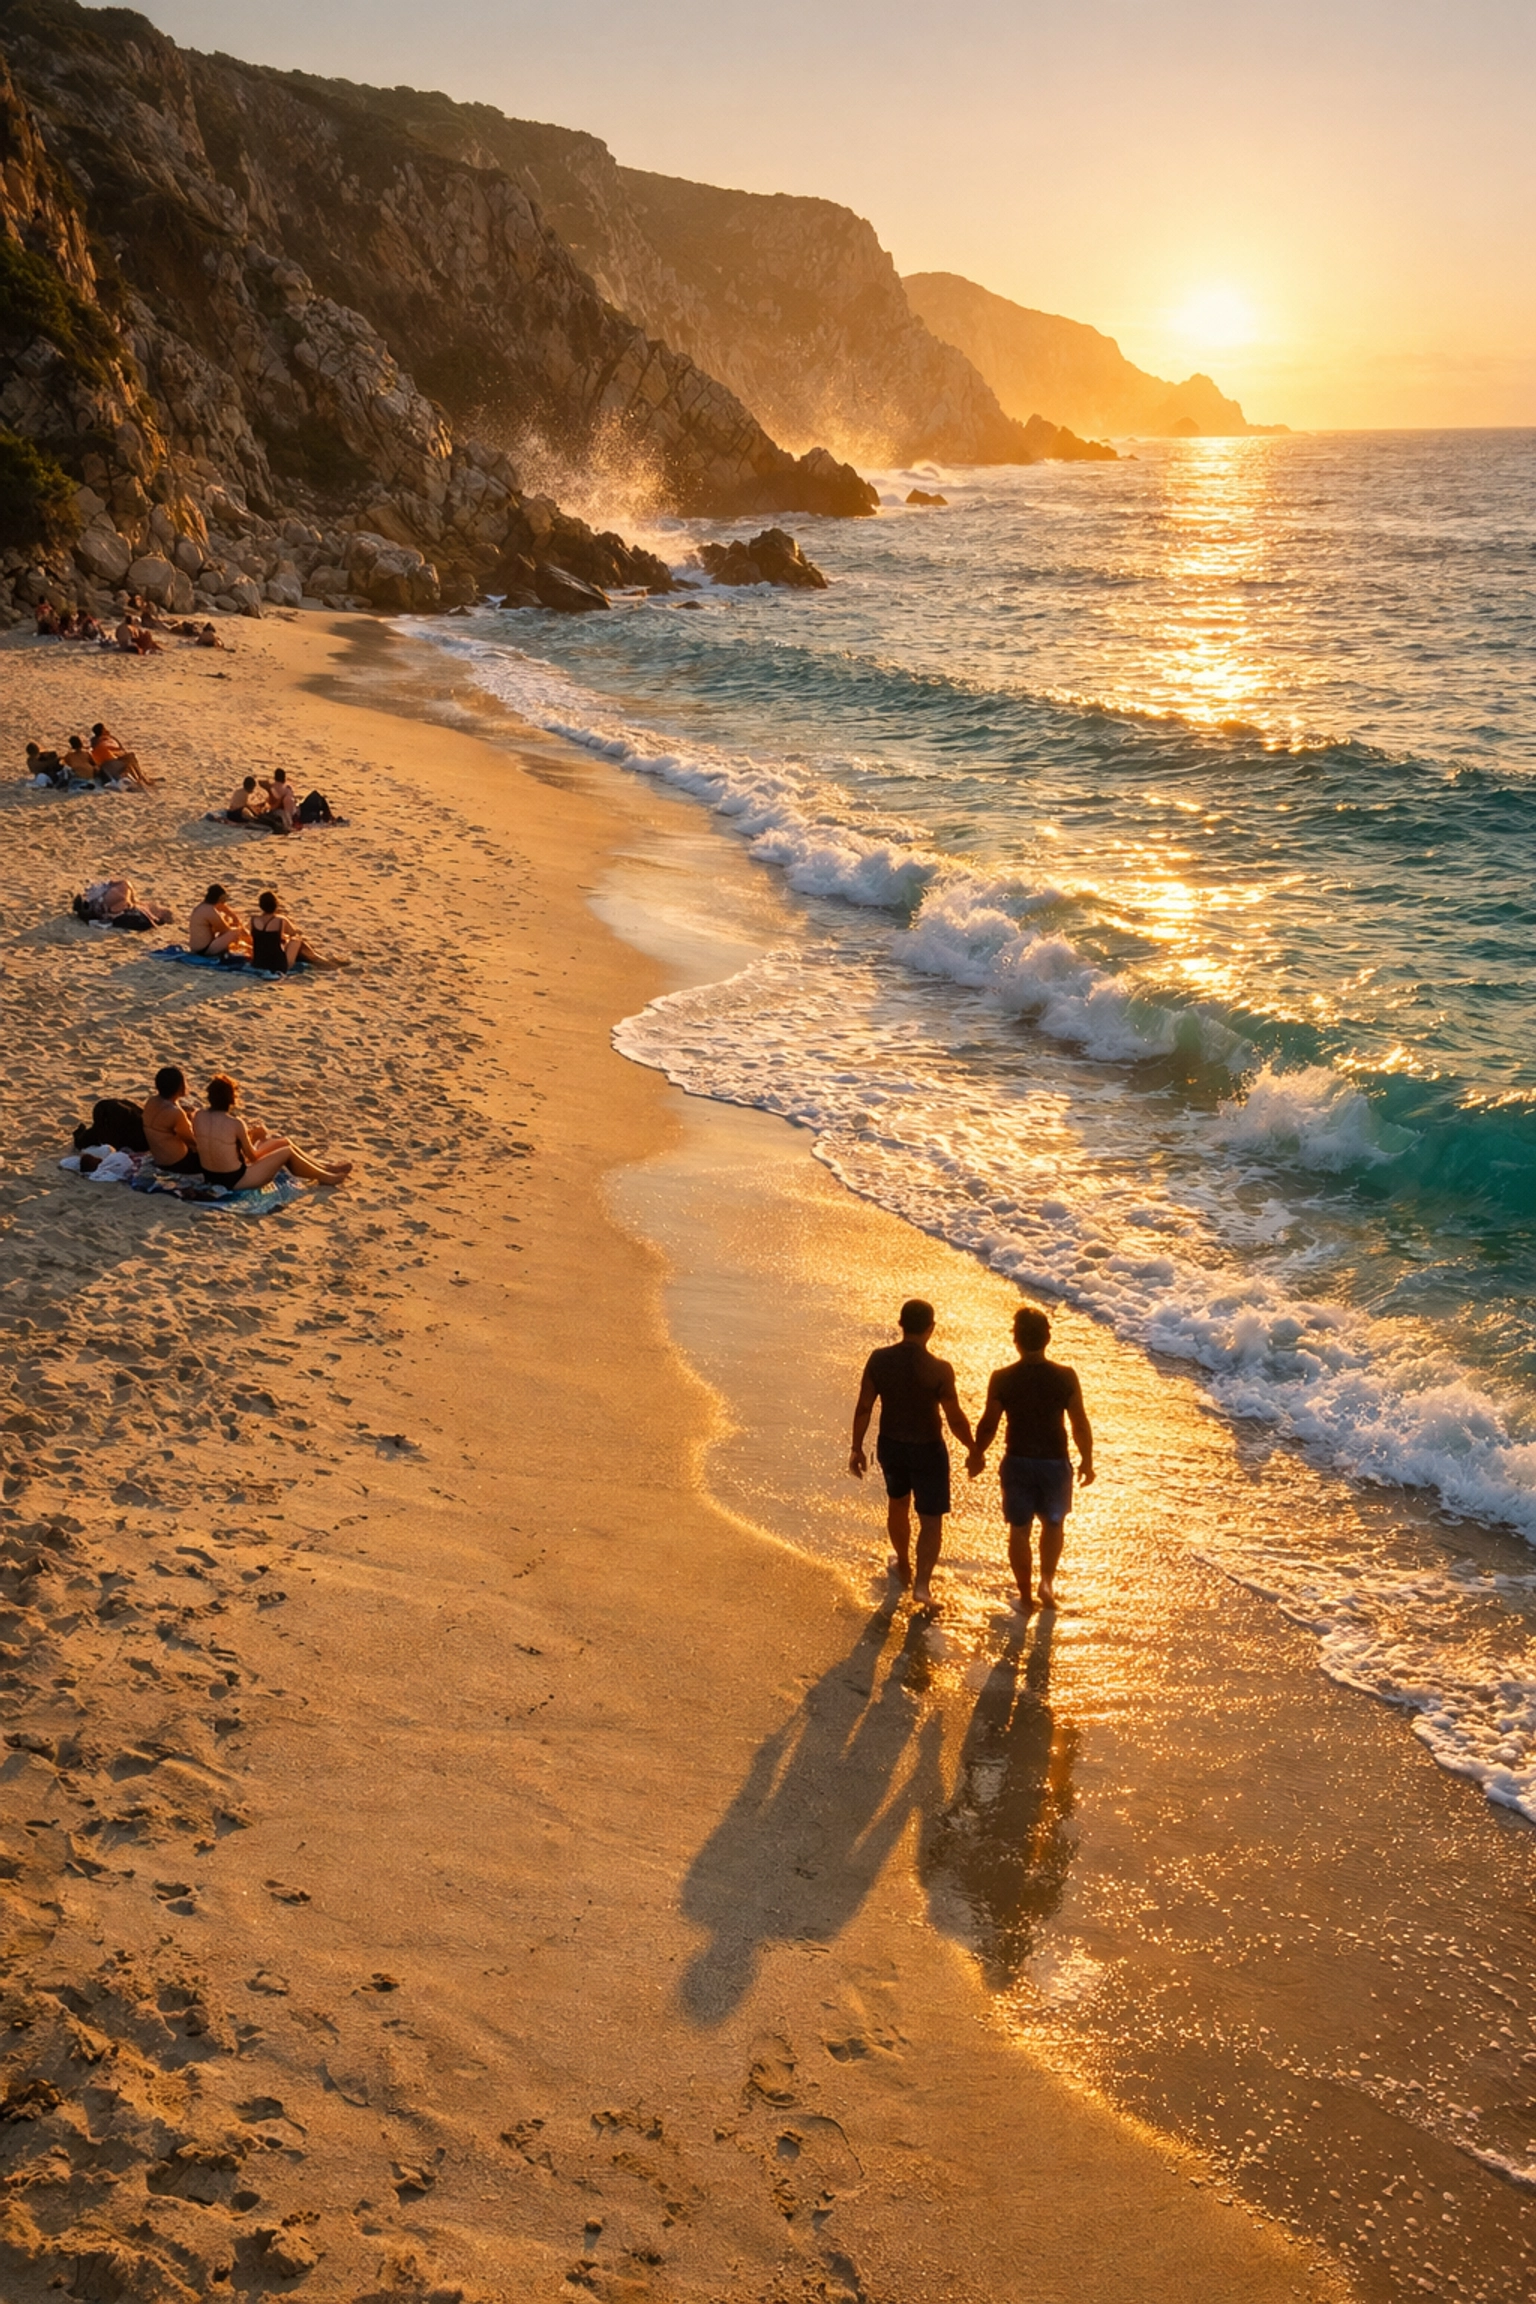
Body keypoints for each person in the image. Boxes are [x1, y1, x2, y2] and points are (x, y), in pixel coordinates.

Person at [967, 1307, 1095, 1614]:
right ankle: (1047, 1583)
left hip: (1018, 1461)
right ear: (1048, 1338)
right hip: (1054, 1462)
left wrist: (977, 1453)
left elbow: (989, 1423)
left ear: (1017, 1341)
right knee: (1054, 1523)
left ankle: (1025, 1597)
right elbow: (1079, 1422)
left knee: (1019, 1529)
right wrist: (1087, 1460)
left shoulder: (1003, 1378)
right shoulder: (1065, 1377)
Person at [849, 1298, 974, 1607]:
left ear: (900, 1325)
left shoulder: (879, 1359)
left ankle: (902, 1562)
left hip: (891, 1445)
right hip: (929, 1449)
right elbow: (955, 1417)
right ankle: (922, 1587)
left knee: (898, 1504)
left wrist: (856, 1447)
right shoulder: (940, 1369)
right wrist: (973, 1448)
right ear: (931, 1328)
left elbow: (865, 1407)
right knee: (931, 1519)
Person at [193, 1074, 351, 1189]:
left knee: (284, 1142)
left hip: (210, 1175)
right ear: (231, 1099)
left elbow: (218, 1143)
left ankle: (325, 1167)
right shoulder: (235, 1123)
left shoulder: (198, 1116)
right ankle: (326, 1177)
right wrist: (255, 1135)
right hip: (235, 1180)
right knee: (286, 1152)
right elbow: (253, 1156)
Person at [247, 888, 349, 971]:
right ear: (276, 905)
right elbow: (294, 932)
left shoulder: (253, 920)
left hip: (257, 963)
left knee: (286, 943)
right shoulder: (280, 920)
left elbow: (249, 935)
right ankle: (323, 962)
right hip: (278, 965)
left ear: (260, 905)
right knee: (297, 941)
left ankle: (321, 960)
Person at [141, 1065, 202, 1174]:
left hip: (159, 1159)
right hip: (178, 1163)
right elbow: (191, 1141)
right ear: (179, 1087)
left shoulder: (151, 1101)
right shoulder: (176, 1113)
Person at [189, 883, 250, 958]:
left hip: (197, 949)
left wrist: (230, 914)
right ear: (220, 898)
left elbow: (224, 909)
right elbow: (225, 929)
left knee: (231, 930)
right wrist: (234, 923)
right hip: (205, 950)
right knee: (237, 932)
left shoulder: (202, 907)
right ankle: (252, 946)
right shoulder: (209, 911)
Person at [90, 725, 154, 791]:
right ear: (102, 731)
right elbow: (118, 750)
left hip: (104, 764)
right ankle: (141, 778)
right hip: (112, 760)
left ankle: (139, 777)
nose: (107, 730)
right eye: (104, 729)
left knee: (129, 759)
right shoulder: (106, 739)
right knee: (131, 757)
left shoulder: (94, 741)